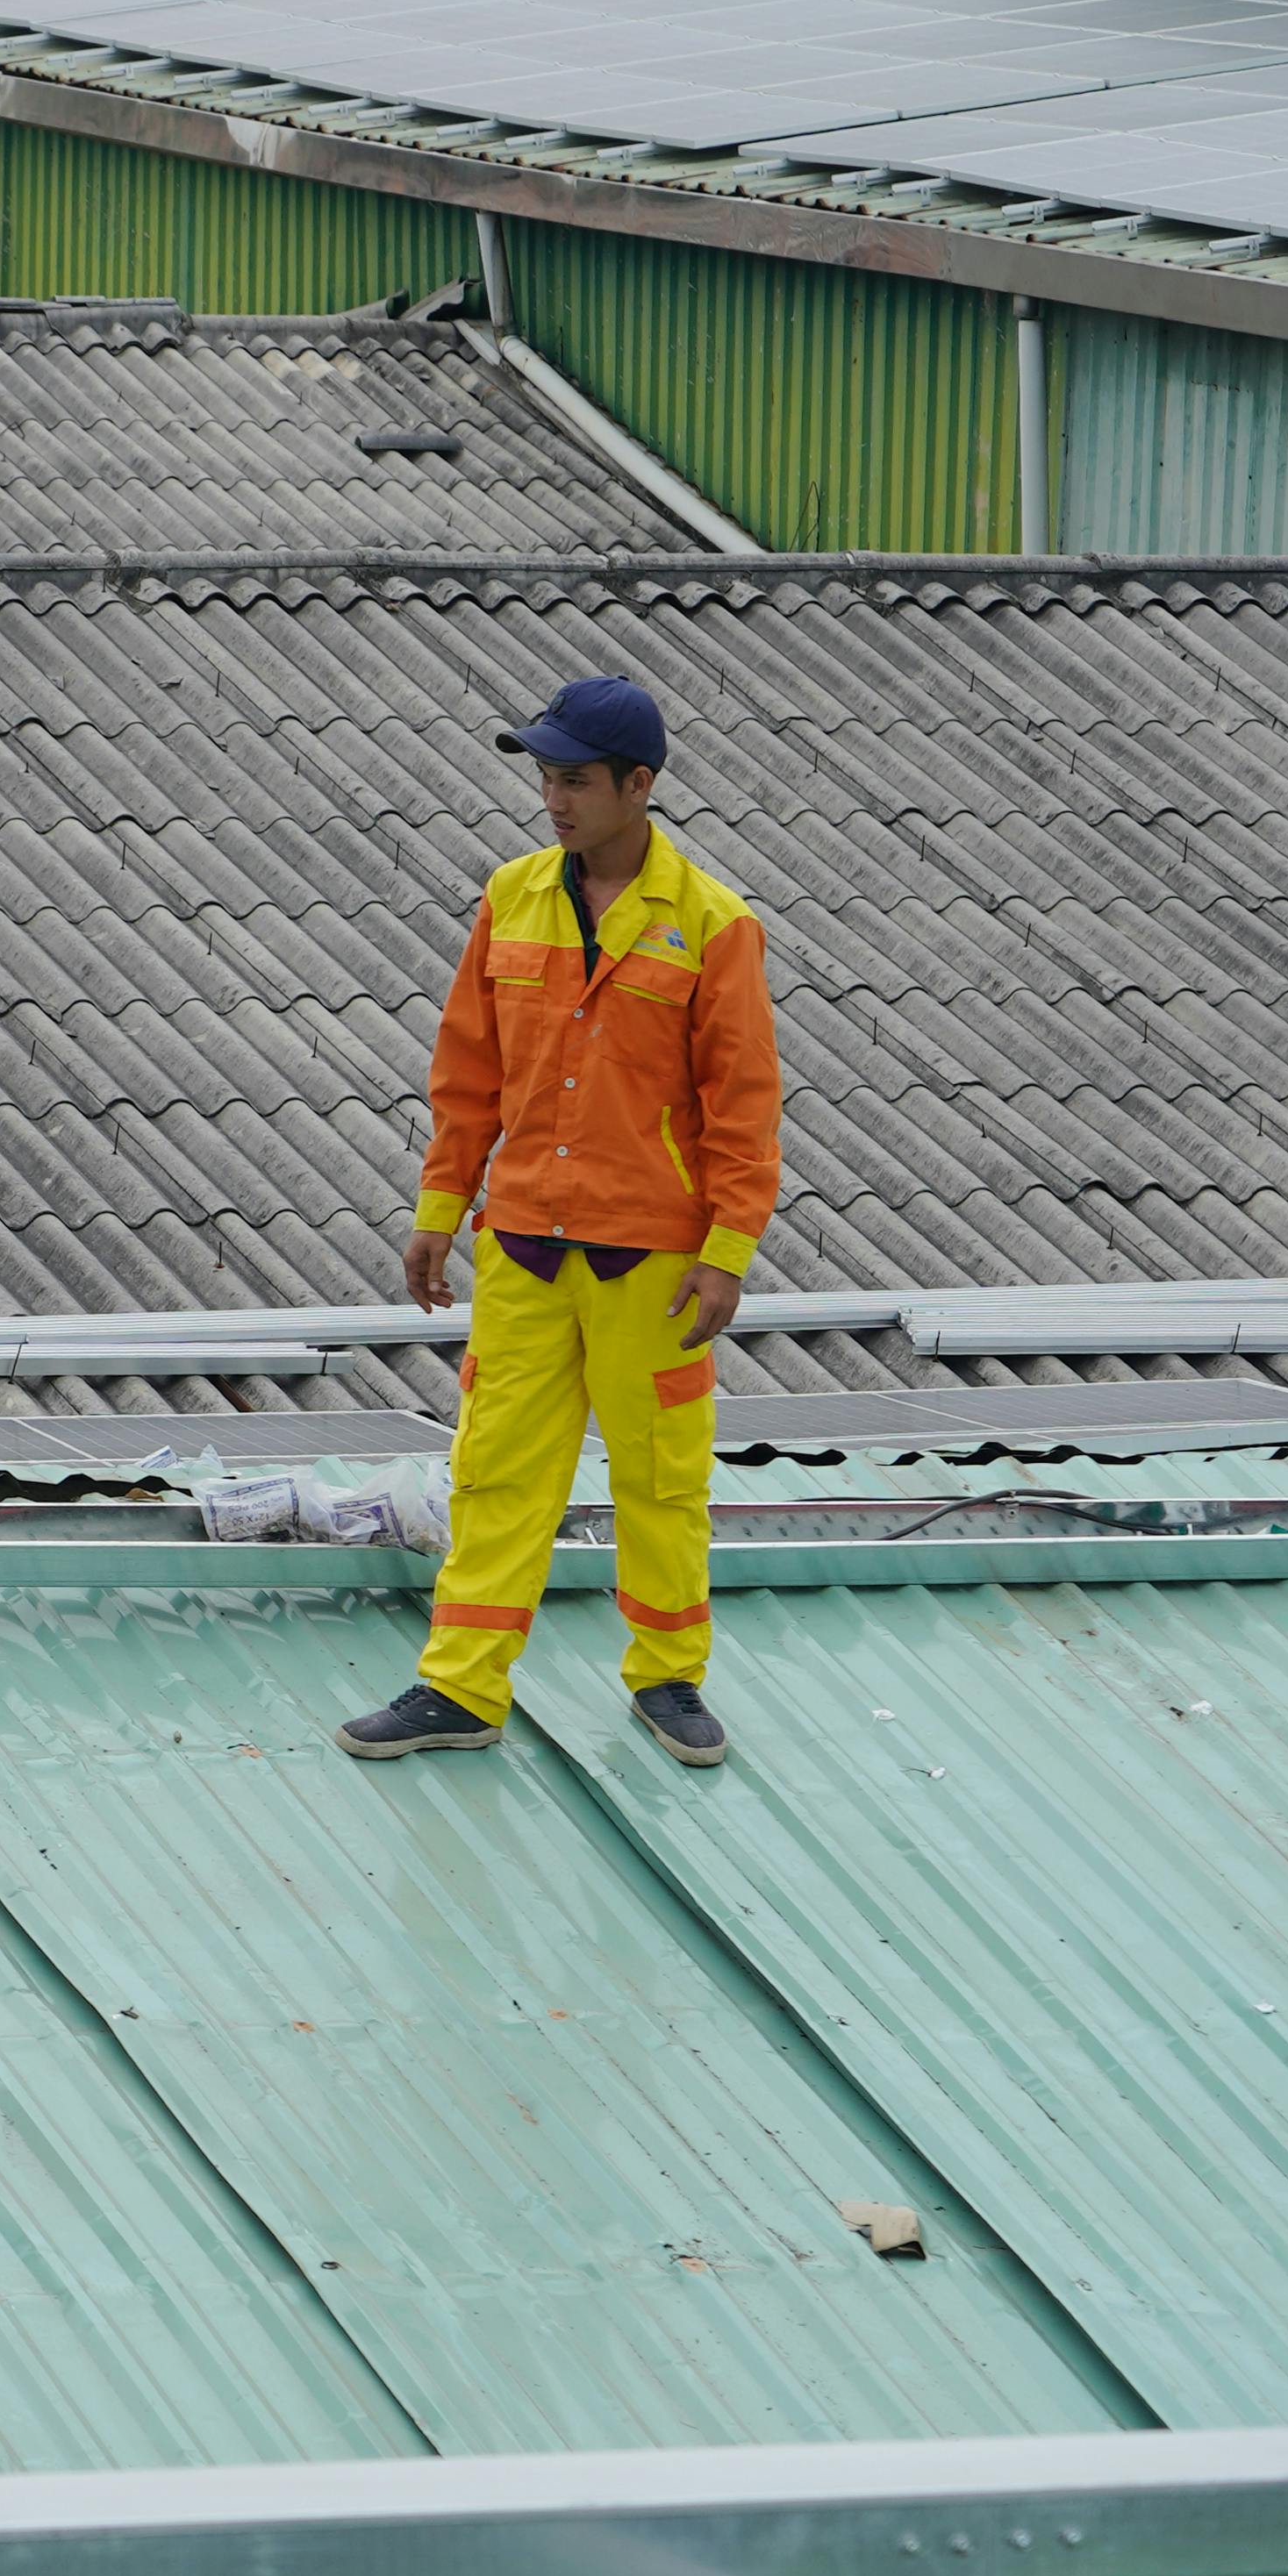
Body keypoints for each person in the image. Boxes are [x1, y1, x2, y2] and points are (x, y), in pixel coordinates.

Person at [338, 674, 783, 1772]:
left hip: (655, 1264)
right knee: (495, 1473)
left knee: (660, 1479)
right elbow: (469, 1073)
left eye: (575, 779)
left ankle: (668, 1680)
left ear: (641, 786)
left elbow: (743, 1105)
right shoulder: (512, 897)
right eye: (544, 775)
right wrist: (439, 1208)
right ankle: (460, 1689)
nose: (553, 797)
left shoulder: (714, 927)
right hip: (526, 1243)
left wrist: (728, 1253)